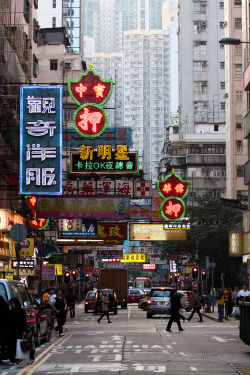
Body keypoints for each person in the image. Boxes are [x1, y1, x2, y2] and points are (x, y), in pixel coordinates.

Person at [8, 297, 35, 365]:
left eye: (12, 303)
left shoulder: (21, 311)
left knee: (24, 345)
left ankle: (30, 358)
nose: (11, 305)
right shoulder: (11, 311)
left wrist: (24, 330)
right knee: (14, 345)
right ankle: (16, 359)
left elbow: (23, 321)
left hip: (20, 331)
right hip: (14, 331)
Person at [0, 296, 10, 364]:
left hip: (4, 329)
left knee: (3, 344)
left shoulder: (4, 309)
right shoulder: (6, 308)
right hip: (4, 329)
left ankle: (3, 357)